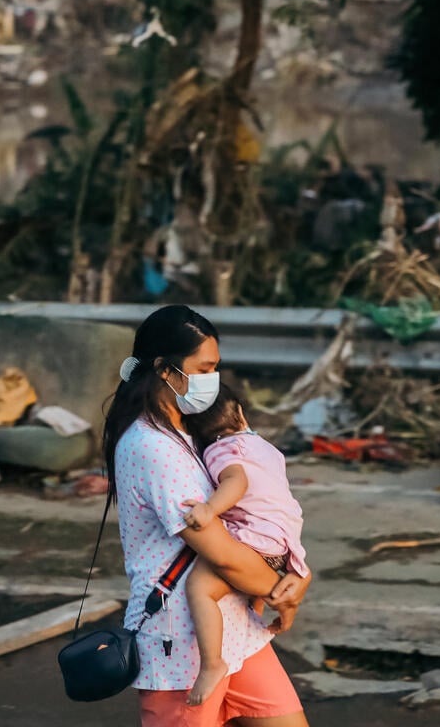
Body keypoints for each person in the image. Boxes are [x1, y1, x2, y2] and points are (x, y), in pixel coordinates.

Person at [104, 305, 310, 727]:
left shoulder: (187, 430)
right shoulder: (152, 446)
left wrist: (292, 581)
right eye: (204, 367)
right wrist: (285, 590)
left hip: (237, 631)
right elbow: (224, 553)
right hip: (180, 646)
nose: (212, 379)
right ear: (165, 369)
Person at [181, 385, 310, 705]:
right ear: (240, 413)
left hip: (256, 541)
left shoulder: (221, 449)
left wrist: (209, 508)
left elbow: (236, 481)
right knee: (247, 594)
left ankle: (212, 664)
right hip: (284, 540)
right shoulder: (263, 446)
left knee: (200, 589)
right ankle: (281, 615)